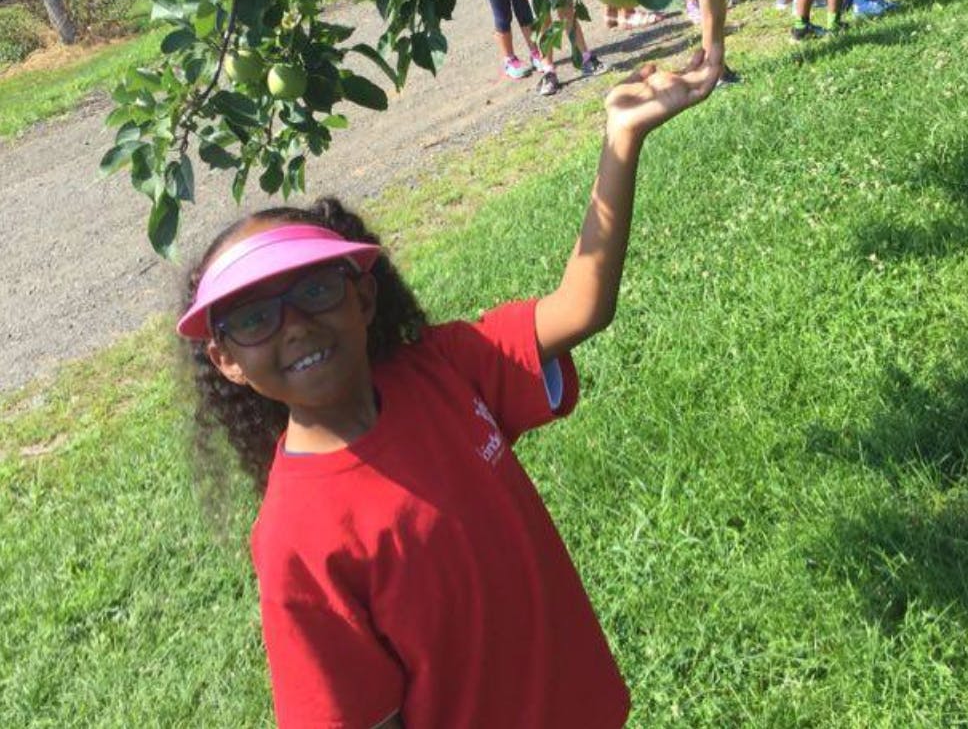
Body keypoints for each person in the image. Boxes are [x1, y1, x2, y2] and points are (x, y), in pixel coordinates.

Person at [176, 45, 723, 729]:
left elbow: (581, 308)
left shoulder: (442, 370)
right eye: (254, 318)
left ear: (363, 298)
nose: (293, 326)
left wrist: (621, 137)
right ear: (226, 361)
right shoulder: (296, 538)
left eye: (315, 289)